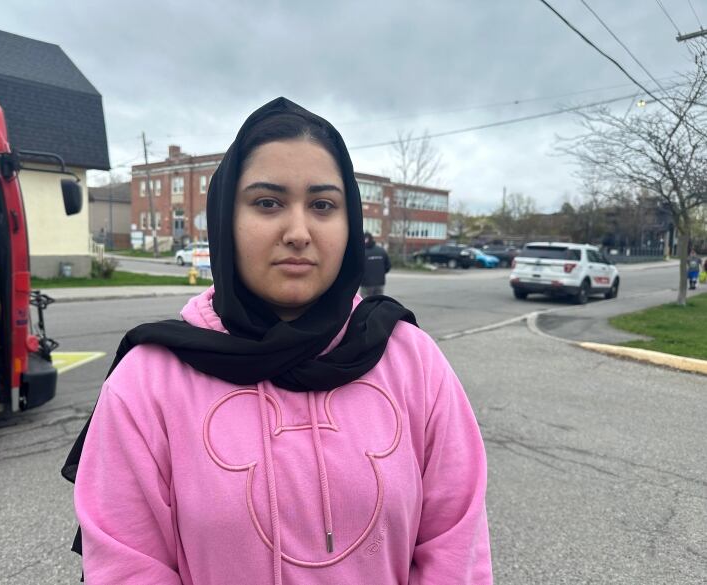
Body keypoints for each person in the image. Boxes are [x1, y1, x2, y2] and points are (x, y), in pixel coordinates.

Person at [64, 98, 492, 584]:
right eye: (267, 203)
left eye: (323, 206)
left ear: (351, 223)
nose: (297, 232)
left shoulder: (412, 362)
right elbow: (127, 567)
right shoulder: (148, 382)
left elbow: (456, 551)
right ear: (225, 217)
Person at [360, 231, 391, 297]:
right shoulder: (381, 251)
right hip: (379, 283)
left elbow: (357, 269)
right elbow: (388, 266)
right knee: (377, 304)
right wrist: (380, 273)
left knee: (365, 305)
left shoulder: (361, 252)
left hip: (366, 284)